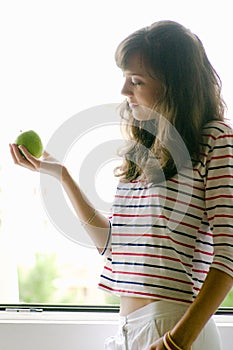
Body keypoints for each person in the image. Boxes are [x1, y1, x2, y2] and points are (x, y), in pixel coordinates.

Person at [10, 20, 233, 350]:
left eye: (137, 81)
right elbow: (112, 247)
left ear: (174, 85)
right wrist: (62, 175)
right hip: (129, 330)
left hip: (174, 329)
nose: (124, 91)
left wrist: (176, 341)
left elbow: (227, 257)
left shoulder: (214, 139)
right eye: (125, 79)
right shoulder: (141, 153)